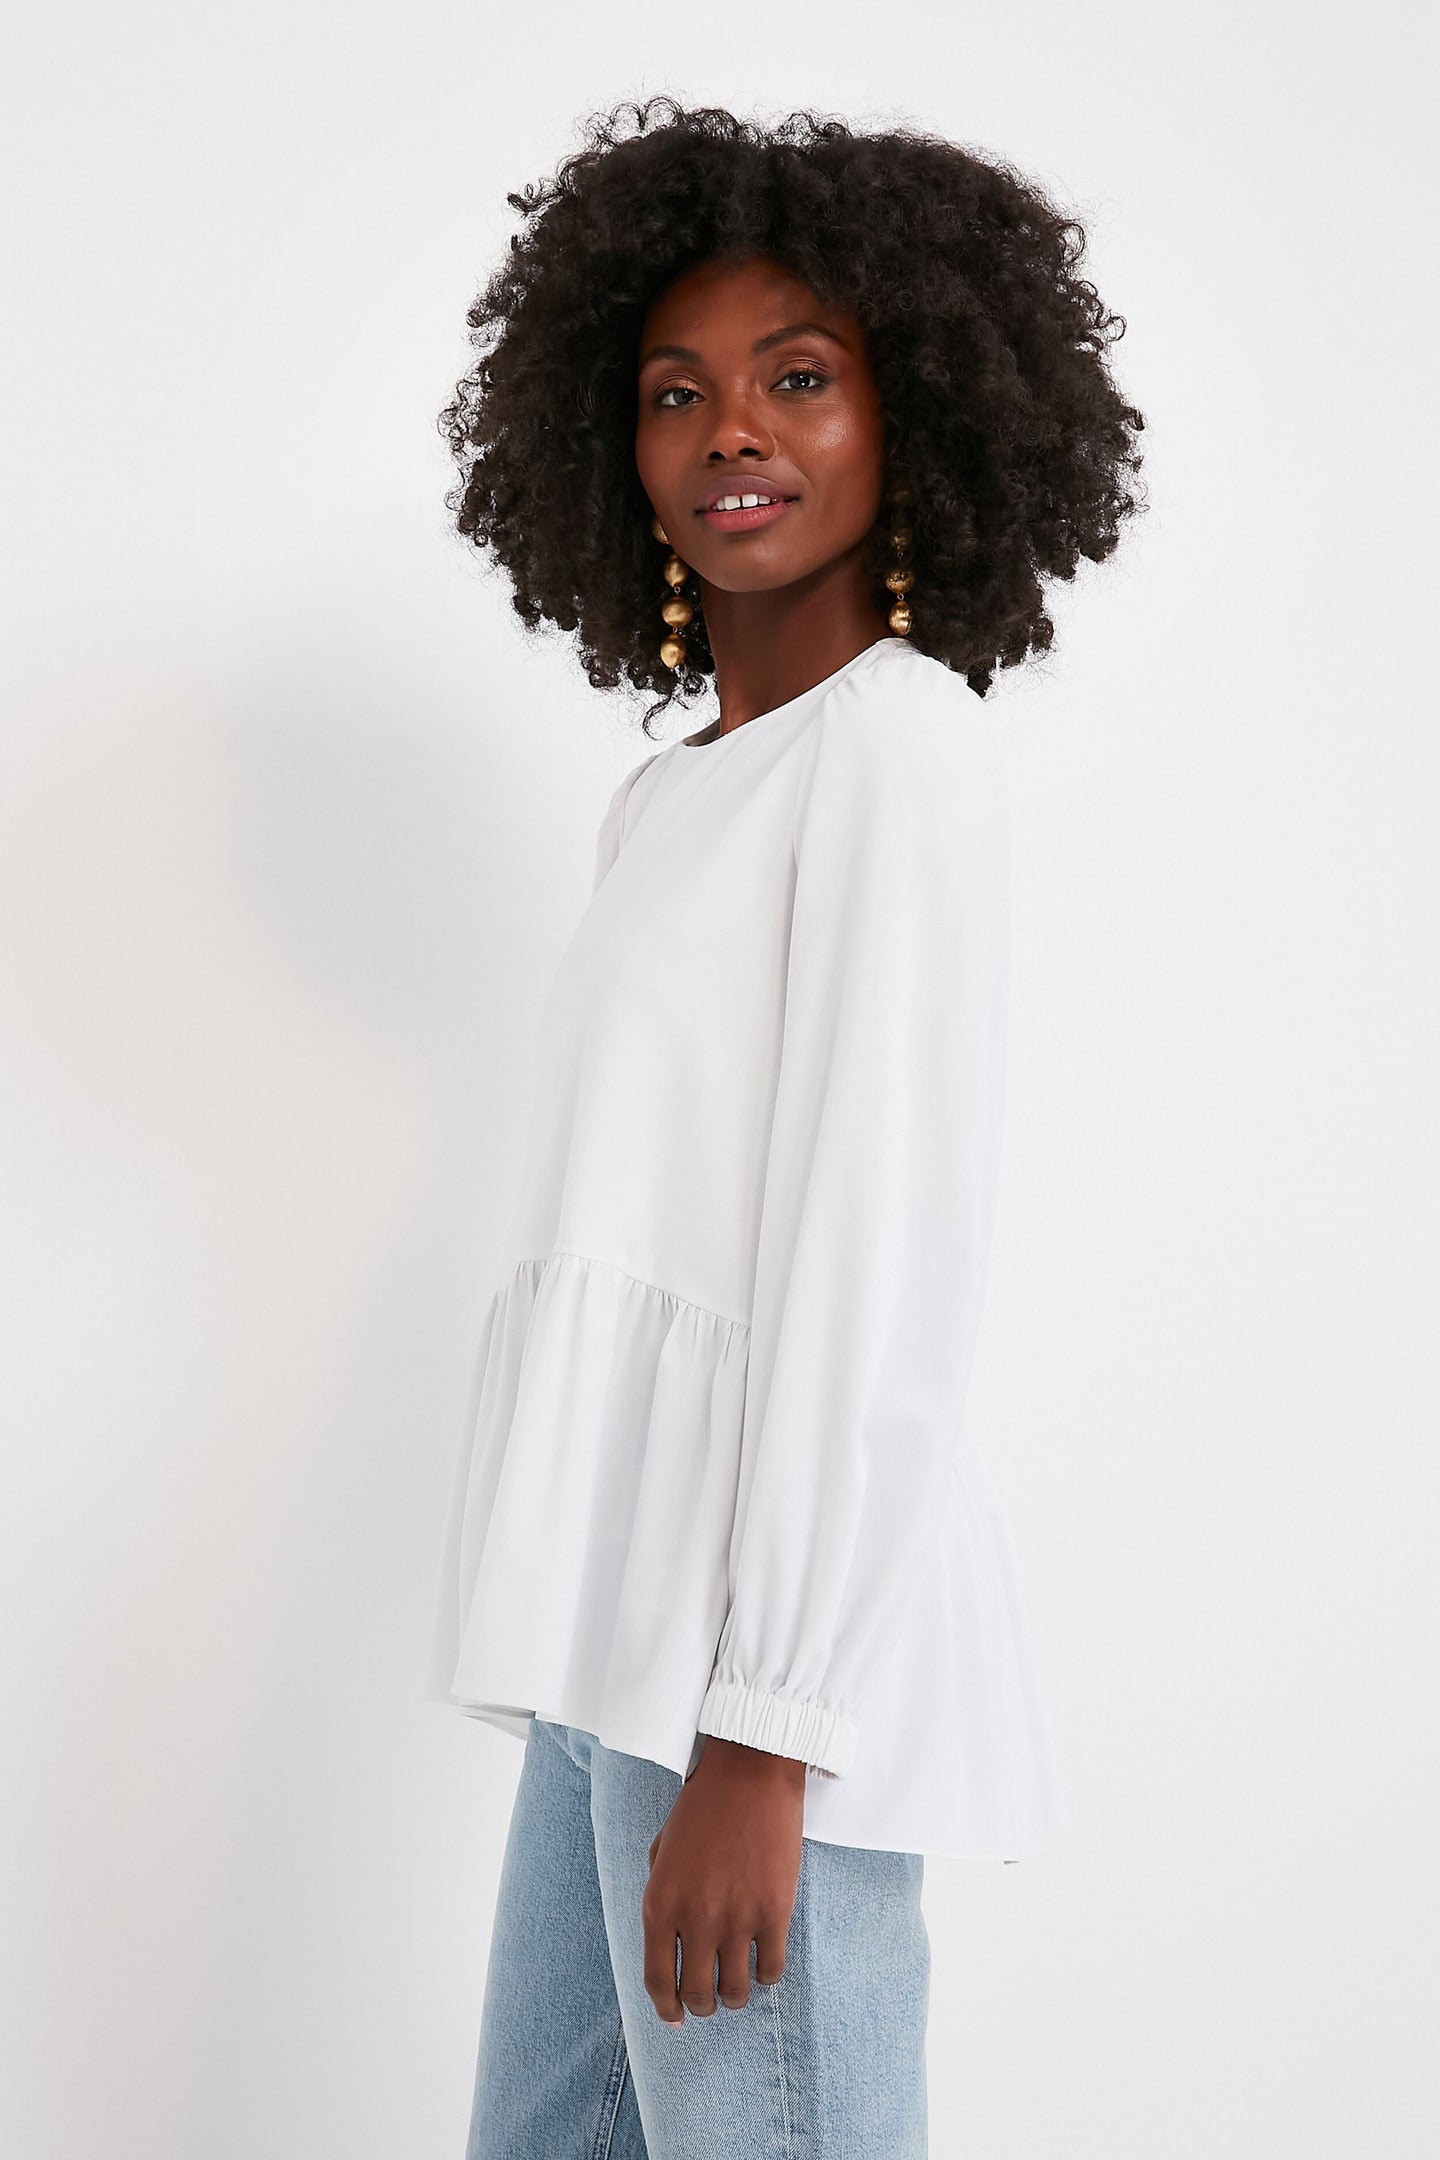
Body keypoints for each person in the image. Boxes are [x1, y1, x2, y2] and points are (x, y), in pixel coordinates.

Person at [427, 96, 1145, 2160]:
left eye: (799, 378)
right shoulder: (669, 798)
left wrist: (771, 1723)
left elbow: (874, 1258)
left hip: (751, 1676)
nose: (732, 429)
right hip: (610, 1649)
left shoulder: (896, 749)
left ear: (917, 413)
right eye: (678, 392)